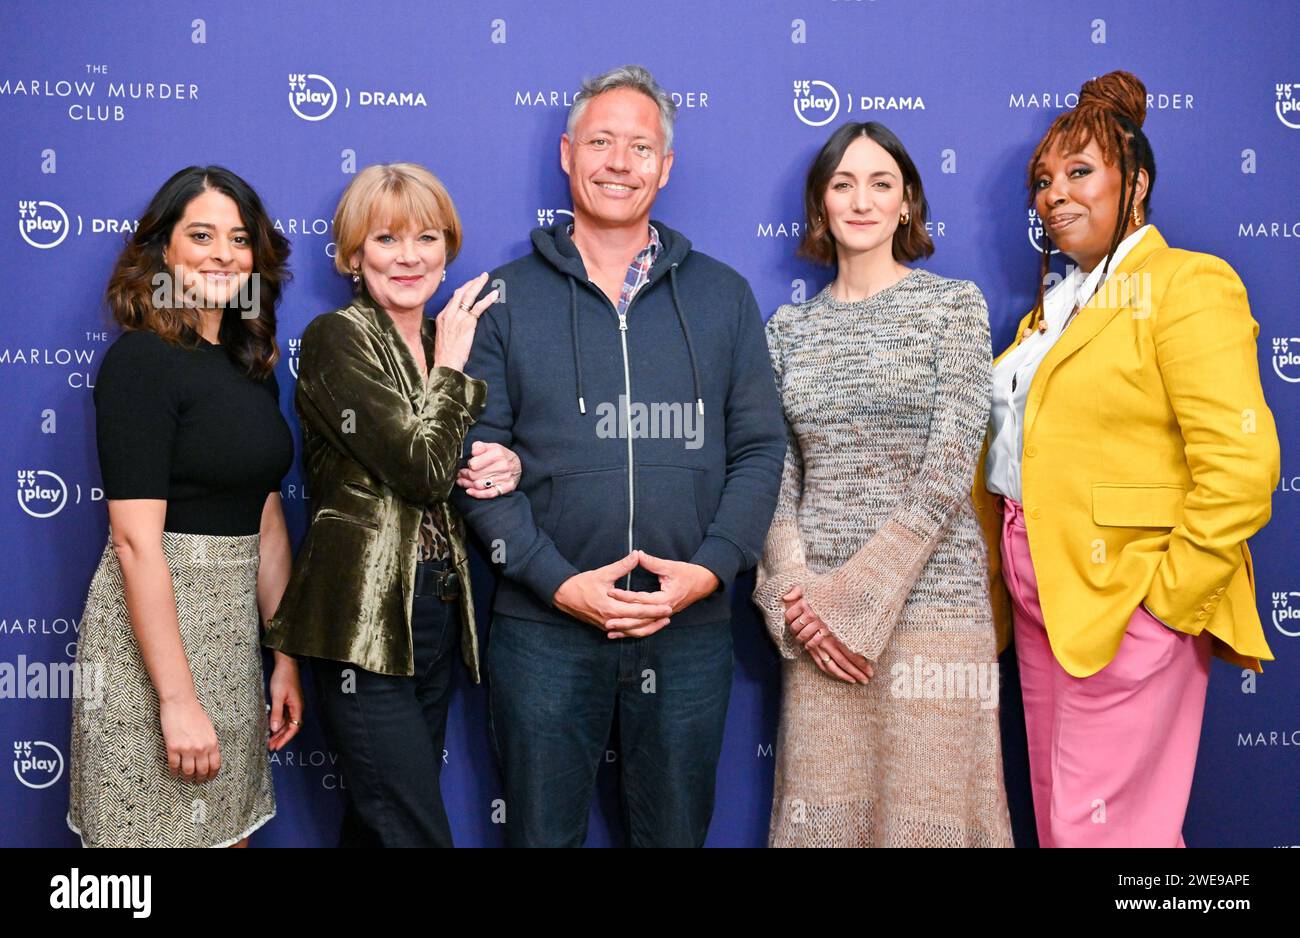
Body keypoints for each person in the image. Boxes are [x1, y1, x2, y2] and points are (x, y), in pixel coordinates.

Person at [452, 65, 786, 847]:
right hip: (542, 627)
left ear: (665, 168)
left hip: (688, 625)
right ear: (568, 154)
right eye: (600, 141)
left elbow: (761, 447)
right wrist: (560, 583)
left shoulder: (724, 296)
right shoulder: (501, 298)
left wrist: (707, 571)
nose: (618, 161)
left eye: (640, 147)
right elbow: (476, 462)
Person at [972, 71, 1280, 847]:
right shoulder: (1054, 308)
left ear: (1136, 182)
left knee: (1103, 834)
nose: (1054, 195)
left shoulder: (1185, 284)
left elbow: (1242, 469)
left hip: (1125, 599)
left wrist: (1166, 608)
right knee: (1063, 820)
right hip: (1043, 597)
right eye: (1043, 180)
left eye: (1080, 172)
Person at [752, 122, 1014, 847]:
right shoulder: (786, 332)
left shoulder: (952, 307)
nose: (861, 200)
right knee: (824, 813)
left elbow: (947, 471)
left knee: (929, 819)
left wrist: (856, 602)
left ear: (907, 206)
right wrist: (796, 597)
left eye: (881, 184)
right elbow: (774, 477)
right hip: (819, 628)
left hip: (933, 611)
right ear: (820, 207)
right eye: (843, 184)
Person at [263, 163, 515, 847]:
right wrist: (456, 371)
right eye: (385, 240)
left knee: (379, 827)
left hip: (435, 609)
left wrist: (507, 461)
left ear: (447, 248)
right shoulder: (336, 339)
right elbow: (421, 469)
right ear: (352, 255)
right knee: (411, 829)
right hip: (361, 619)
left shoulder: (440, 341)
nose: (409, 257)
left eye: (426, 238)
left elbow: (458, 463)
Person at [68, 165, 302, 848]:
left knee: (228, 837)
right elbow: (136, 542)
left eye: (238, 238)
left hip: (231, 647)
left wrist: (282, 651)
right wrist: (174, 701)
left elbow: (265, 518)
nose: (223, 254)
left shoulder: (249, 362)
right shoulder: (141, 362)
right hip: (150, 654)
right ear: (163, 250)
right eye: (201, 235)